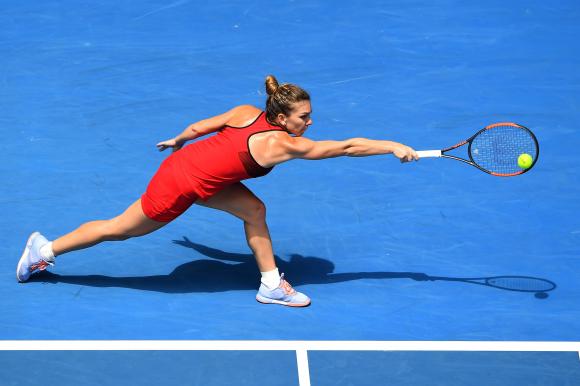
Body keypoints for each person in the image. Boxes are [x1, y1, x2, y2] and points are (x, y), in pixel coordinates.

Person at [16, 75, 418, 307]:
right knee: (120, 228)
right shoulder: (284, 143)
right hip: (181, 185)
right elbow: (346, 147)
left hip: (197, 172)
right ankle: (44, 249)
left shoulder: (247, 112)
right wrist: (393, 146)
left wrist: (177, 140)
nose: (311, 122)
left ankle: (270, 285)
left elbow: (198, 128)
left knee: (254, 211)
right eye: (304, 116)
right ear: (281, 117)